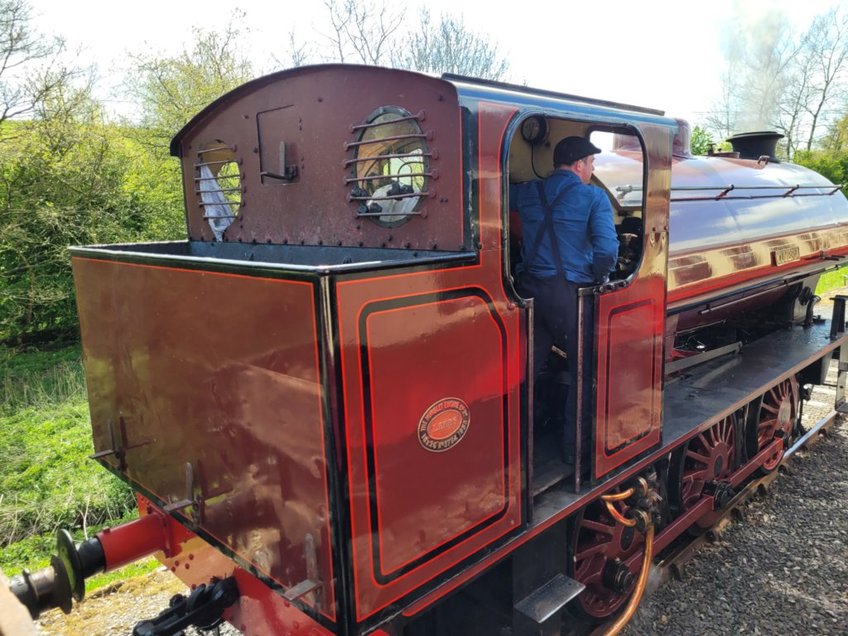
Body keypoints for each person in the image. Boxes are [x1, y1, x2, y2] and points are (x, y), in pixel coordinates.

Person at [511, 136, 619, 467]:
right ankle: (576, 453)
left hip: (529, 292)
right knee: (584, 374)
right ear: (579, 165)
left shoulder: (528, 192)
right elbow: (607, 252)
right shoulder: (593, 198)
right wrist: (599, 278)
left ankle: (514, 449)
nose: (592, 170)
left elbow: (499, 195)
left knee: (524, 373)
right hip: (570, 296)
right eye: (591, 164)